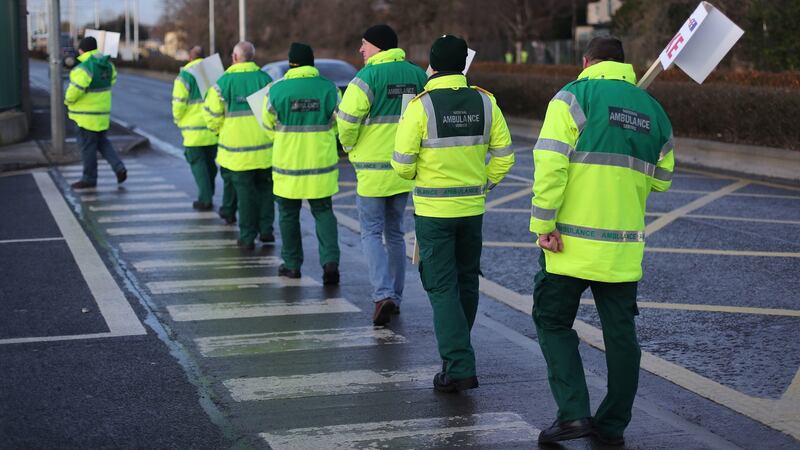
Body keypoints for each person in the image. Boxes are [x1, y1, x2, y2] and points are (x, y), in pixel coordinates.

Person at [529, 37, 674, 446]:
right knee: (621, 335)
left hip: (568, 244)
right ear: (624, 64)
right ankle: (612, 426)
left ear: (586, 61)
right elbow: (662, 181)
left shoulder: (573, 98)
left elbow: (550, 166)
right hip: (624, 248)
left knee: (552, 321)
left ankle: (574, 414)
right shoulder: (652, 110)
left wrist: (543, 224)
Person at [392, 35, 514, 393]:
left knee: (442, 287)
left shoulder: (420, 106)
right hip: (472, 210)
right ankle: (458, 350)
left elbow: (401, 166)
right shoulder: (486, 102)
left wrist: (420, 175)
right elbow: (506, 158)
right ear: (462, 63)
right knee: (466, 282)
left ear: (431, 63)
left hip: (433, 212)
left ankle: (459, 365)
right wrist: (482, 185)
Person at [337, 24, 427, 326]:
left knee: (371, 234)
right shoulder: (417, 75)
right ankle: (396, 298)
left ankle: (382, 294)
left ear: (377, 46)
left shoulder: (366, 78)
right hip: (403, 171)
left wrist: (349, 146)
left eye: (364, 44)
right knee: (396, 234)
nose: (361, 50)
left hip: (372, 175)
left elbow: (347, 121)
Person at [262, 43, 341, 284]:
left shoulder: (276, 91)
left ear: (290, 63)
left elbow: (267, 128)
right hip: (321, 166)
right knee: (324, 212)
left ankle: (292, 265)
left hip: (288, 167)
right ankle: (330, 262)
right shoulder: (330, 89)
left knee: (288, 215)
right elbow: (341, 125)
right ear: (312, 62)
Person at [203, 41, 274, 250]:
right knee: (265, 191)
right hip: (265, 151)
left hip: (236, 154)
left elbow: (212, 116)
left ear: (234, 58)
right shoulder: (265, 79)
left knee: (245, 196)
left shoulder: (222, 82)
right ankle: (266, 230)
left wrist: (219, 130)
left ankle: (247, 236)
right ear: (252, 56)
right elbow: (274, 112)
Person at [65, 36, 127, 189]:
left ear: (82, 50)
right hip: (102, 114)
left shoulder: (84, 67)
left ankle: (89, 178)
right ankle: (119, 168)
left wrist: (67, 101)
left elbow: (74, 92)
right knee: (102, 143)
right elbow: (112, 80)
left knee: (87, 148)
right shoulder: (107, 65)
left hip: (85, 117)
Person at [172, 45, 218, 210]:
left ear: (190, 57)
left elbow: (178, 103)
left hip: (193, 131)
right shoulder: (213, 72)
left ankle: (205, 199)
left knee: (198, 165)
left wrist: (178, 119)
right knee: (210, 164)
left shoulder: (185, 75)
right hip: (212, 128)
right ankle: (209, 192)